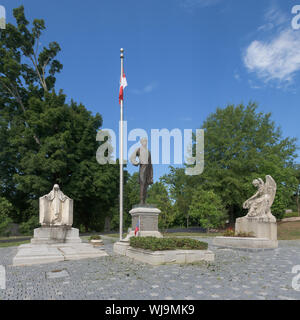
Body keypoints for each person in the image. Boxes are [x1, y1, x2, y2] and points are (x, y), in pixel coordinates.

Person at [130, 137, 153, 204]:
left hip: (148, 168)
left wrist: (151, 176)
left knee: (146, 185)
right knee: (142, 184)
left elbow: (151, 164)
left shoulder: (148, 151)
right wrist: (136, 162)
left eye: (146, 141)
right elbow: (132, 157)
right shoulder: (139, 149)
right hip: (142, 167)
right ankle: (141, 200)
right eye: (143, 141)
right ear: (141, 142)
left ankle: (145, 201)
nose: (145, 142)